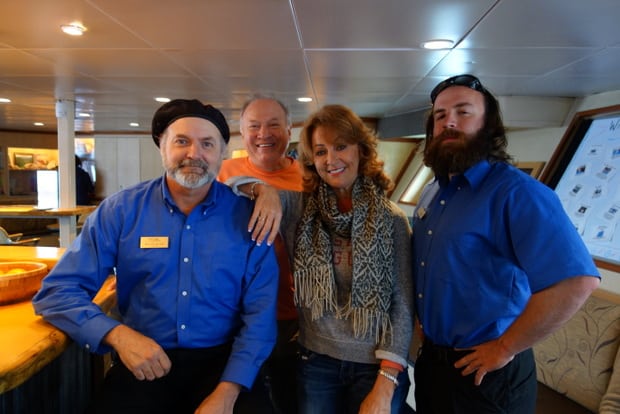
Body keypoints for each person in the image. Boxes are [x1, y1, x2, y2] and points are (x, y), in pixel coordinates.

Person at [32, 99, 279, 414]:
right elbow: (56, 293)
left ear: (222, 154)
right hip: (142, 358)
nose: (194, 153)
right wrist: (116, 334)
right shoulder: (121, 211)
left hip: (226, 364)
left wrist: (227, 393)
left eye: (207, 143)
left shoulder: (250, 218)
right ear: (161, 147)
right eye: (181, 141)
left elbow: (260, 317)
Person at [411, 74, 601, 413]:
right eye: (440, 116)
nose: (449, 121)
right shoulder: (432, 191)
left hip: (489, 372)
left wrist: (505, 347)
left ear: (488, 124)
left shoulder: (518, 193)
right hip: (434, 365)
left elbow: (577, 281)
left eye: (463, 111)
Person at [236, 104, 414, 414]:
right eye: (320, 151)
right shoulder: (300, 209)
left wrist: (386, 383)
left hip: (373, 367)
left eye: (340, 146)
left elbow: (404, 305)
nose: (330, 160)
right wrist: (261, 188)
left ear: (361, 150)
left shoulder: (392, 220)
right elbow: (231, 188)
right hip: (315, 361)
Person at [218, 94, 302, 414]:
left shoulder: (309, 179)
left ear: (289, 129)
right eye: (254, 126)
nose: (263, 134)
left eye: (273, 125)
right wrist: (258, 187)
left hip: (295, 319)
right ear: (242, 131)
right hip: (236, 318)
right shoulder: (224, 174)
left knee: (290, 400)